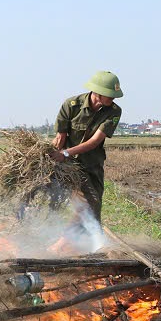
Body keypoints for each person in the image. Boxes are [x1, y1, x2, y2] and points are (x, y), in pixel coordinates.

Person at [51, 70, 124, 222]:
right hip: (69, 165)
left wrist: (65, 153)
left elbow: (95, 141)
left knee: (94, 205)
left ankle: (77, 242)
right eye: (109, 94)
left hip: (92, 164)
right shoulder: (71, 105)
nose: (113, 98)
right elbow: (60, 137)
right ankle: (65, 244)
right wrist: (54, 159)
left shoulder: (114, 111)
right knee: (85, 206)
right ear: (98, 92)